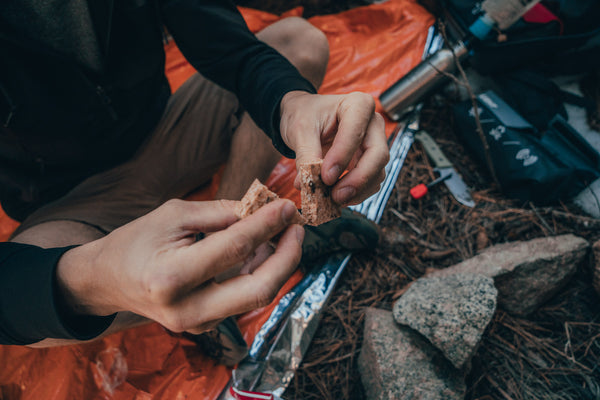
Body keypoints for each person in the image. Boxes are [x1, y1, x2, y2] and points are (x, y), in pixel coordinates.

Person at [0, 0, 388, 351]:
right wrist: (95, 281)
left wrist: (291, 102)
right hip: (74, 201)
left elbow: (225, 42)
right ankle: (197, 285)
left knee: (297, 42)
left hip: (166, 134)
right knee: (44, 302)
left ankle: (237, 248)